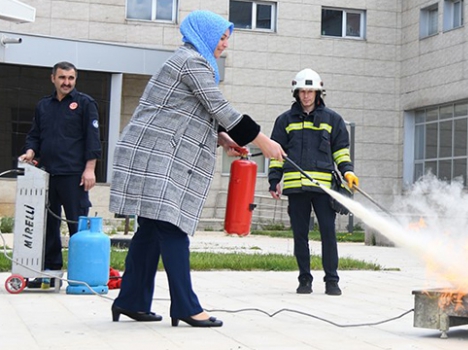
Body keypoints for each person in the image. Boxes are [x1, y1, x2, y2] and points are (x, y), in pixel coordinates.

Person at [108, 10, 285, 328]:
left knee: (150, 229)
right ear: (204, 35)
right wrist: (265, 143)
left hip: (155, 153)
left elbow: (190, 111)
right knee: (172, 228)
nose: (225, 45)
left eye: (227, 38)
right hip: (155, 155)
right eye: (221, 37)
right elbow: (220, 107)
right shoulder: (191, 61)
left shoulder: (189, 61)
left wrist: (223, 138)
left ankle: (131, 300)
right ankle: (186, 307)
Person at [268, 68, 359, 296]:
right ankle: (304, 280)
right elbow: (275, 154)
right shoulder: (284, 121)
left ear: (318, 93)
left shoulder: (333, 120)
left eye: (310, 91)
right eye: (302, 91)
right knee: (300, 236)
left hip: (323, 188)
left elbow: (341, 152)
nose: (306, 96)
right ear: (296, 93)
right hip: (296, 188)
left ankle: (332, 281)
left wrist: (348, 172)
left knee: (328, 233)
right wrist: (274, 180)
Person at [18, 61, 101, 288]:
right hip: (47, 176)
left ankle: (81, 276)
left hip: (75, 176)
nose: (67, 82)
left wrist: (90, 168)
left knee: (78, 227)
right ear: (53, 78)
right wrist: (30, 151)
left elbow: (93, 139)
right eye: (62, 78)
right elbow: (35, 135)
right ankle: (51, 275)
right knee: (48, 228)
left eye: (71, 78)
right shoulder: (43, 106)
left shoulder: (85, 104)